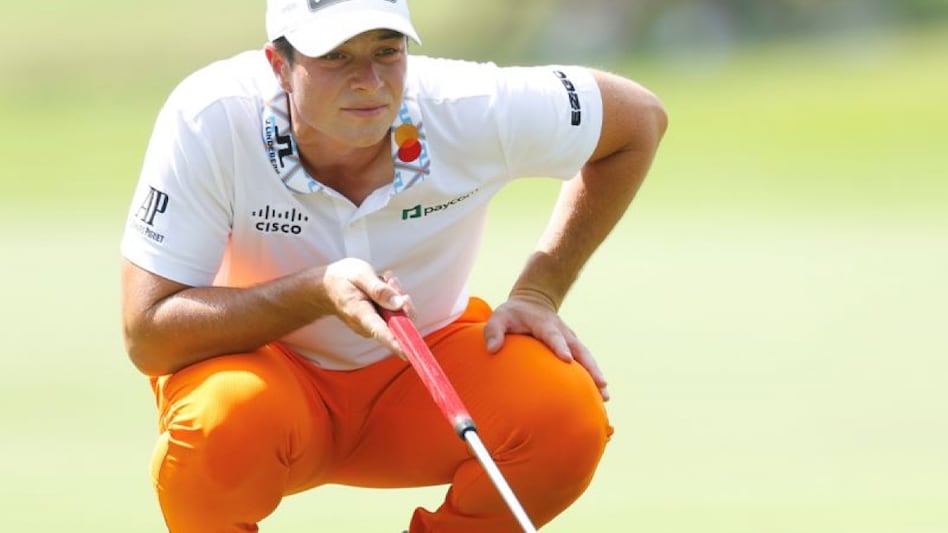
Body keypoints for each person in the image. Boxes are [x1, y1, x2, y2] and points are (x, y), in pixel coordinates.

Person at [119, 0, 666, 530]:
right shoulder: (209, 117)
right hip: (267, 375)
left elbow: (638, 120)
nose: (369, 80)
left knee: (563, 413)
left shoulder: (469, 105)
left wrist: (539, 291)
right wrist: (315, 291)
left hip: (427, 366)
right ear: (279, 66)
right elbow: (149, 334)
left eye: (386, 50)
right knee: (220, 420)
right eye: (335, 56)